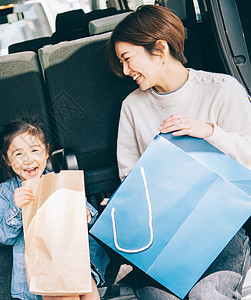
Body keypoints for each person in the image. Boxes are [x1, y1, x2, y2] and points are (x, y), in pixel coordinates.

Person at [107, 4, 251, 299]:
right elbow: (129, 177)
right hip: (162, 235)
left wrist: (210, 133)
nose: (125, 71)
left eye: (127, 59)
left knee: (206, 295)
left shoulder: (223, 90)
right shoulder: (132, 107)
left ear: (159, 49)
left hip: (221, 229)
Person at [0, 115, 109, 300]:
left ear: (46, 152)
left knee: (86, 286)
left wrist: (84, 215)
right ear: (7, 159)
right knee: (61, 292)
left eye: (34, 150)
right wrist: (16, 208)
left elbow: (90, 219)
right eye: (18, 154)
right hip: (39, 269)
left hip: (74, 261)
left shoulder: (61, 182)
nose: (28, 160)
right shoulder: (4, 193)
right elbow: (3, 236)